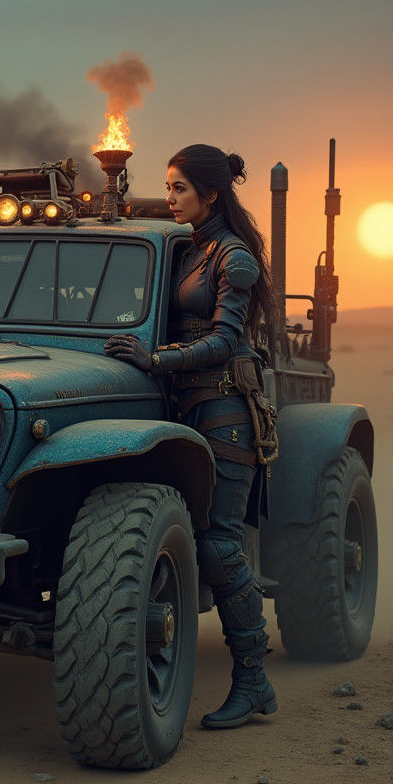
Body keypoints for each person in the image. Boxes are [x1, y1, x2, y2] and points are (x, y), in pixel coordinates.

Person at [104, 143, 278, 729]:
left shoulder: (233, 257)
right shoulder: (190, 247)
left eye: (179, 188)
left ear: (209, 193)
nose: (171, 197)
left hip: (226, 406)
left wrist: (156, 360)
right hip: (185, 405)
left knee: (219, 546)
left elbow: (227, 340)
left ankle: (253, 680)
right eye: (168, 187)